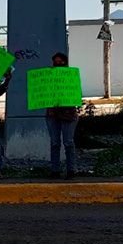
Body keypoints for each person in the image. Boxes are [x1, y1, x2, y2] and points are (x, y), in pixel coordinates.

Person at [46, 52, 79, 180]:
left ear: (65, 63)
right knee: (54, 143)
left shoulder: (70, 77)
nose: (58, 64)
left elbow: (75, 94)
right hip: (52, 114)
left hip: (68, 114)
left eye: (60, 62)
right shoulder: (48, 78)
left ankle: (71, 170)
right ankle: (55, 170)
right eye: (55, 62)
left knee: (68, 142)